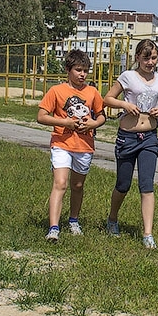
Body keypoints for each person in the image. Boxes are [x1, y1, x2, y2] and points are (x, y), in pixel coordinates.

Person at [102, 39, 158, 249]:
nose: (150, 62)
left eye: (154, 58)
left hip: (149, 137)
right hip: (128, 137)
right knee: (123, 184)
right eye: (146, 57)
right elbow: (108, 98)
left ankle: (148, 234)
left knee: (146, 185)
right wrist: (125, 104)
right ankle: (112, 219)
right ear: (137, 57)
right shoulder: (128, 76)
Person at [37, 49, 106, 241]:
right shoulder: (56, 91)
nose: (82, 74)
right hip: (61, 143)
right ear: (68, 70)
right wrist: (65, 123)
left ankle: (74, 220)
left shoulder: (92, 92)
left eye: (85, 70)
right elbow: (41, 117)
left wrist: (93, 123)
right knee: (60, 183)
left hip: (84, 145)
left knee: (77, 185)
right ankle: (53, 228)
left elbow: (101, 115)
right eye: (78, 70)